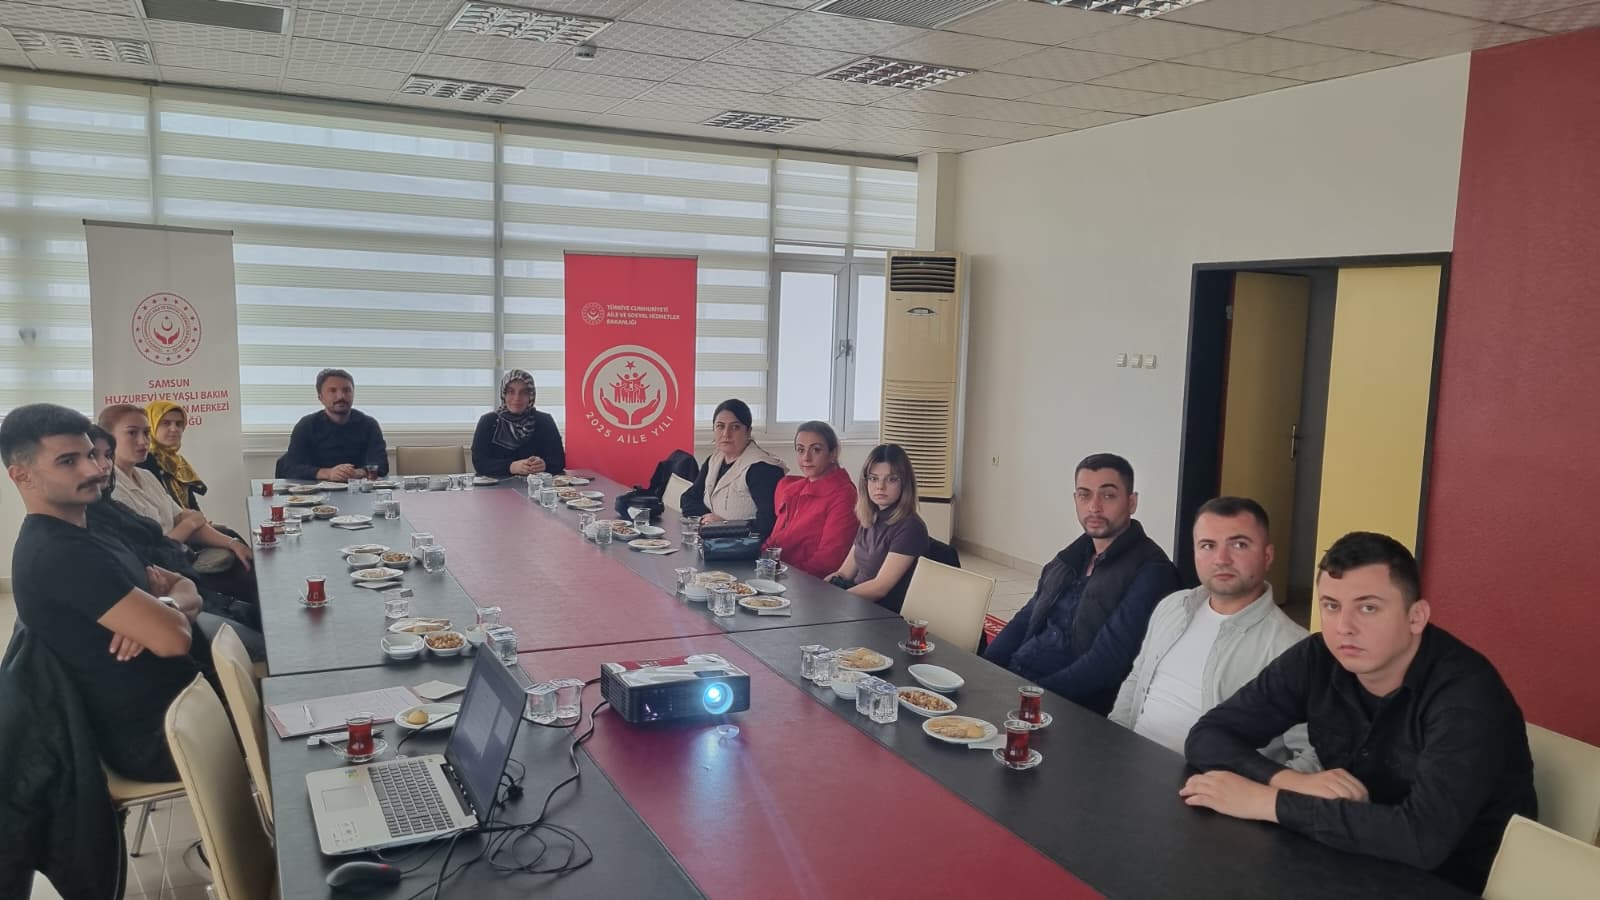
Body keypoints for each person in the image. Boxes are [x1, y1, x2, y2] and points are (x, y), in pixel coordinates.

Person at [1182, 532, 1536, 893]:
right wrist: (1289, 781)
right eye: (1331, 606)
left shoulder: (1467, 694)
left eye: (1368, 608)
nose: (1344, 627)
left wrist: (1266, 801)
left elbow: (1422, 839)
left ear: (1416, 617)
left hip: (1454, 881)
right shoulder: (1319, 657)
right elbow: (1208, 736)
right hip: (1351, 855)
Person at [3, 403, 210, 782]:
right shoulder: (59, 555)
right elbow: (174, 639)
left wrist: (165, 604)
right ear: (22, 475)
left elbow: (184, 584)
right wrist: (167, 615)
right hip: (163, 733)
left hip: (188, 700)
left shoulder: (93, 530)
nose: (93, 470)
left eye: (90, 455)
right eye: (68, 461)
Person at [1110, 497, 1316, 770]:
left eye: (1239, 545)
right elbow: (1137, 679)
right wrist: (1113, 743)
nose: (1221, 559)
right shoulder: (1173, 606)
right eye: (1208, 545)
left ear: (1267, 556)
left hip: (1203, 785)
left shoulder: (1293, 647)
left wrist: (1248, 790)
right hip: (1129, 762)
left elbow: (1312, 757)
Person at [983, 453, 1179, 716]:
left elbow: (1107, 662)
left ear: (1131, 502)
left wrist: (1029, 699)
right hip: (1022, 680)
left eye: (1108, 495)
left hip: (1069, 706)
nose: (1094, 507)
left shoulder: (1152, 571)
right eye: (1085, 495)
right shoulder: (1070, 559)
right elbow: (1024, 620)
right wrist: (984, 672)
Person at [87, 426, 266, 660]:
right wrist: (180, 537)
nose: (103, 465)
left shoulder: (119, 502)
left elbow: (176, 573)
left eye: (108, 455)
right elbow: (157, 560)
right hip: (175, 607)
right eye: (92, 456)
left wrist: (170, 598)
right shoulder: (83, 531)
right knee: (263, 645)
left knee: (265, 613)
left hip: (186, 586)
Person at [98, 404, 253, 573]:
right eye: (132, 433)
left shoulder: (146, 475)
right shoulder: (110, 489)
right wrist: (189, 524)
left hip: (182, 554)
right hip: (162, 571)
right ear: (107, 439)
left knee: (240, 551)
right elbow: (153, 551)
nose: (143, 441)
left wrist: (233, 543)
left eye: (146, 432)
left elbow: (182, 516)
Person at [825, 444, 929, 612]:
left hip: (881, 613)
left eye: (891, 479)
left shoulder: (911, 527)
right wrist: (821, 592)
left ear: (904, 483)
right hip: (856, 603)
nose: (880, 486)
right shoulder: (871, 518)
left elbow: (880, 588)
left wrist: (835, 601)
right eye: (874, 479)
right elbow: (844, 573)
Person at [679, 399, 786, 539]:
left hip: (745, 546)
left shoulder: (762, 468)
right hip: (714, 540)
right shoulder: (714, 460)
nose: (726, 434)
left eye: (735, 427)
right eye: (720, 426)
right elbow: (688, 499)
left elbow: (768, 524)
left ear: (748, 432)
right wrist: (709, 519)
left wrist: (724, 525)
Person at [762, 421, 857, 579]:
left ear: (833, 453)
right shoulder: (793, 489)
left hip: (810, 583)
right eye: (800, 450)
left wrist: (781, 577)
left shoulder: (844, 495)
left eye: (816, 450)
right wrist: (759, 564)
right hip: (779, 576)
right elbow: (773, 542)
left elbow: (828, 562)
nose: (806, 458)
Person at [275, 368, 388, 482]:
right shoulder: (306, 425)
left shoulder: (369, 425)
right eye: (332, 391)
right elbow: (290, 467)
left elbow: (382, 464)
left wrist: (357, 473)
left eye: (347, 390)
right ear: (321, 397)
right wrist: (327, 473)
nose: (341, 396)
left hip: (358, 487)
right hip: (316, 489)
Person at [471, 368, 565, 478]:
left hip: (537, 486)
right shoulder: (488, 421)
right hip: (497, 486)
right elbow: (480, 463)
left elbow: (559, 460)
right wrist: (511, 467)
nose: (517, 398)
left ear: (531, 395)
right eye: (511, 392)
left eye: (524, 393)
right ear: (503, 394)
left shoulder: (545, 421)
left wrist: (544, 465)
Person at [141, 400, 207, 511]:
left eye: (179, 424)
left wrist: (201, 520)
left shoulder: (177, 461)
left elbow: (191, 505)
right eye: (166, 423)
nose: (174, 429)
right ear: (150, 425)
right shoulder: (143, 460)